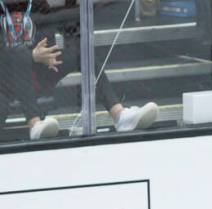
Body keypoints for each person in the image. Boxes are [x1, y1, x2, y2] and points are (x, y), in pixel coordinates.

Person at [0, 0, 158, 140]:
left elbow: (57, 28)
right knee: (18, 53)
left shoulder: (37, 4)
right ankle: (34, 124)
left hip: (39, 72)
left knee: (82, 50)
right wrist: (31, 55)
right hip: (6, 80)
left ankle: (120, 115)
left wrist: (51, 52)